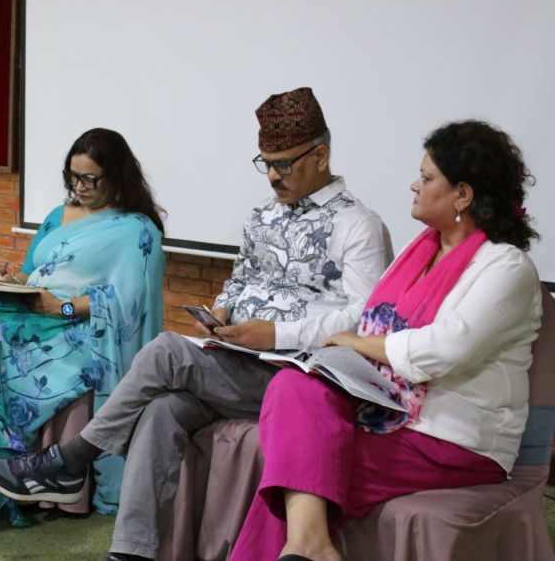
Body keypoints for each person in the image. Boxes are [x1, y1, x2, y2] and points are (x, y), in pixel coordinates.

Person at [0, 88, 393, 560]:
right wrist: (222, 312)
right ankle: (131, 554)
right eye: (266, 163)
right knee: (163, 410)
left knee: (164, 351)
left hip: (300, 379)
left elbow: (365, 317)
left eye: (284, 164)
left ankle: (70, 460)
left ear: (321, 156)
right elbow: (241, 280)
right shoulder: (263, 214)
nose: (274, 175)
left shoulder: (358, 224)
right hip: (244, 361)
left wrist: (275, 334)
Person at [229, 120, 542, 561]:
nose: (414, 185)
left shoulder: (507, 268)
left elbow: (443, 349)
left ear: (463, 195)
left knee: (297, 482)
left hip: (456, 440)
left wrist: (356, 345)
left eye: (428, 178)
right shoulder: (420, 253)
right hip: (388, 413)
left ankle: (308, 546)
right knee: (292, 385)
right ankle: (311, 547)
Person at [0, 128, 167, 527]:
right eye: (73, 177)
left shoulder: (137, 230)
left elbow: (127, 303)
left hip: (78, 327)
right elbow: (32, 272)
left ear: (117, 175)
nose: (79, 187)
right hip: (32, 311)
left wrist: (61, 306)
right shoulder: (57, 215)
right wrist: (10, 283)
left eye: (89, 179)